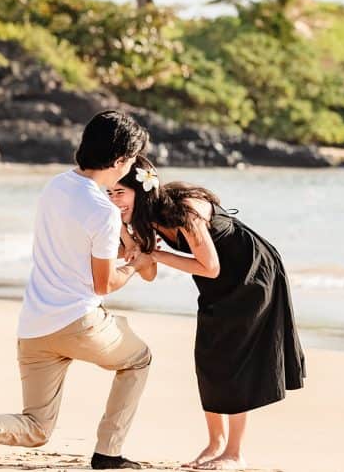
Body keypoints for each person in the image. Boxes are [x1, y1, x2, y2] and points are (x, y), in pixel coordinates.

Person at [0, 110, 155, 470]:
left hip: (34, 326)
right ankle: (108, 454)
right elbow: (105, 284)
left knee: (37, 427)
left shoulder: (56, 185)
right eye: (132, 159)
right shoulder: (103, 211)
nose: (132, 165)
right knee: (139, 359)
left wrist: (122, 239)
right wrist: (134, 264)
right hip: (79, 324)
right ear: (120, 160)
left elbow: (74, 244)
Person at [107, 156, 305, 471]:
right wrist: (124, 232)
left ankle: (235, 452)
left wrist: (154, 252)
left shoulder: (183, 212)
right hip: (218, 284)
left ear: (141, 191)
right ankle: (215, 444)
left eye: (120, 193)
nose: (114, 200)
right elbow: (147, 270)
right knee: (209, 359)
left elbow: (208, 267)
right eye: (110, 194)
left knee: (234, 360)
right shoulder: (143, 218)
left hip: (251, 275)